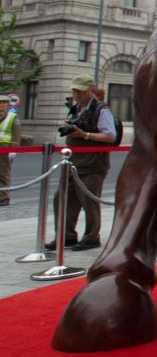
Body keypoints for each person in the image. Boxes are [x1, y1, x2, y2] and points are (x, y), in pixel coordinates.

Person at [45, 75, 116, 251]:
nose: (75, 94)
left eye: (79, 91)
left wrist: (85, 135)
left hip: (93, 164)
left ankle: (92, 237)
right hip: (72, 162)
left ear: (90, 90)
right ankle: (66, 236)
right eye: (74, 90)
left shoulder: (101, 109)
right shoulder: (75, 108)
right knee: (62, 199)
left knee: (89, 202)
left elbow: (110, 135)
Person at [0, 94, 21, 206]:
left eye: (4, 103)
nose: (2, 105)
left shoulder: (12, 117)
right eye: (0, 103)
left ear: (7, 105)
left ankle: (4, 198)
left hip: (5, 147)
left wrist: (13, 150)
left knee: (3, 173)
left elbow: (16, 135)